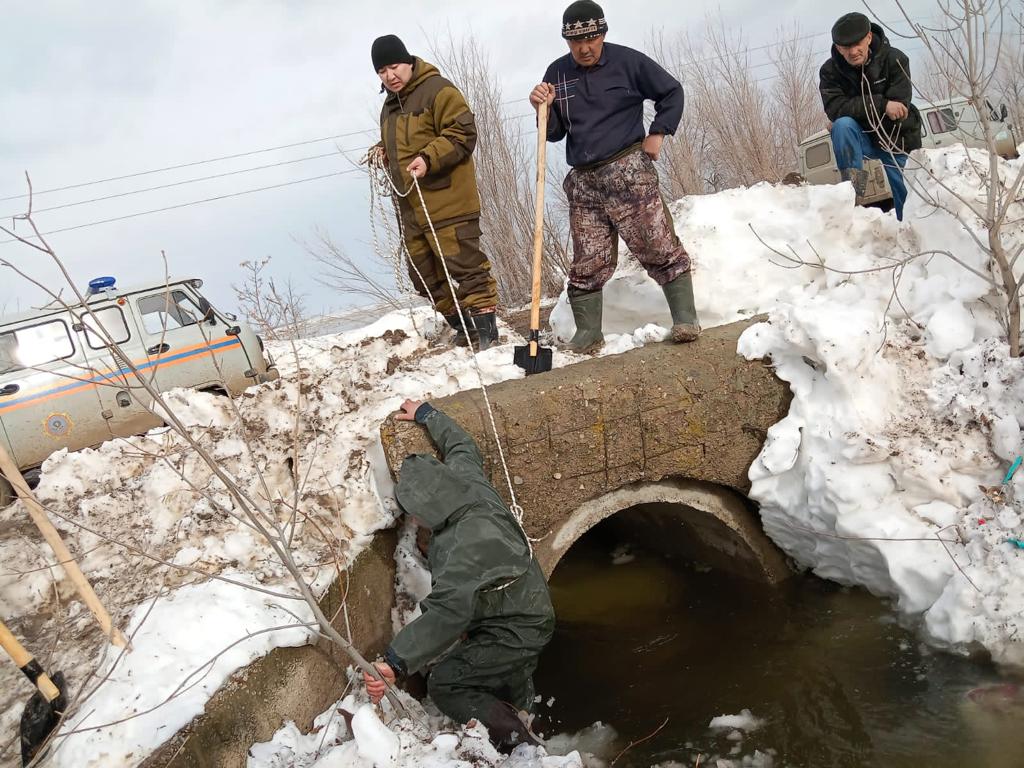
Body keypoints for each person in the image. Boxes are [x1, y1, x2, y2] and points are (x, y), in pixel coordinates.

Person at [363, 399, 555, 751]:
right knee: (512, 672)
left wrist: (395, 661)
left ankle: (521, 746)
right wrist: (426, 414)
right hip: (524, 602)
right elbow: (461, 446)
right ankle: (527, 713)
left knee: (447, 683)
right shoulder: (466, 481)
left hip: (514, 625)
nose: (415, 521)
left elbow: (449, 613)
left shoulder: (464, 546)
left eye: (416, 513)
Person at [528, 1, 699, 353]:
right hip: (584, 182)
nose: (584, 48)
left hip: (627, 171)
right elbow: (555, 132)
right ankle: (589, 334)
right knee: (587, 260)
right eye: (576, 41)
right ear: (566, 41)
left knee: (658, 244)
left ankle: (685, 319)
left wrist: (659, 132)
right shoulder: (557, 73)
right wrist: (542, 109)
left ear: (603, 34)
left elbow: (672, 92)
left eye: (591, 38)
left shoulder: (628, 62)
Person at [370, 35, 500, 350]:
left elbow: (463, 133)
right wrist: (382, 149)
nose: (390, 76)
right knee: (424, 275)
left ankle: (488, 336)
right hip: (412, 209)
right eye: (382, 71)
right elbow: (400, 146)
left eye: (395, 66)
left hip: (448, 201)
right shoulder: (388, 108)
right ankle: (464, 328)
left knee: (466, 268)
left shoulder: (439, 90)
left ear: (409, 62)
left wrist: (428, 158)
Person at [819, 12, 922, 221]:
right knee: (843, 125)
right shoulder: (830, 72)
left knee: (906, 192)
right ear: (838, 48)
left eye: (857, 44)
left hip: (895, 135)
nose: (853, 51)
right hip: (861, 138)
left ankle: (909, 228)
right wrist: (882, 104)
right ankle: (853, 193)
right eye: (846, 47)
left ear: (868, 37)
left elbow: (899, 109)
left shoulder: (895, 59)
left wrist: (855, 109)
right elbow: (836, 109)